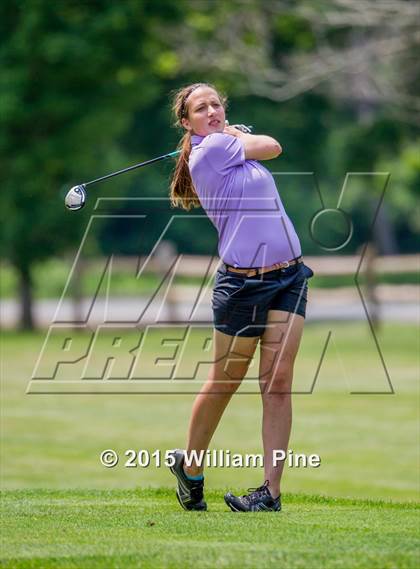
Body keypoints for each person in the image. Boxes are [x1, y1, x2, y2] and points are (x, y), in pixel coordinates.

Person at [168, 82, 314, 512]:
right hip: (243, 285)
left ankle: (270, 493)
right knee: (226, 382)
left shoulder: (227, 146)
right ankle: (190, 468)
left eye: (216, 104)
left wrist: (232, 134)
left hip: (290, 276)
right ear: (187, 122)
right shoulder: (211, 151)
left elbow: (262, 149)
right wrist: (234, 133)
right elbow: (273, 145)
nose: (212, 110)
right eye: (201, 108)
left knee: (278, 383)